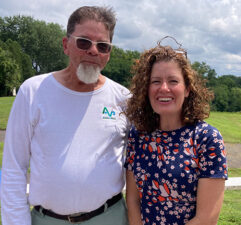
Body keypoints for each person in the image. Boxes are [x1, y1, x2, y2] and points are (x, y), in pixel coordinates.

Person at [1, 6, 129, 225]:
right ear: (65, 45)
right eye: (83, 42)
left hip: (110, 217)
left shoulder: (123, 99)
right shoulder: (33, 91)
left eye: (103, 46)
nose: (93, 51)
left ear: (109, 52)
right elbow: (14, 168)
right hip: (48, 219)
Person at [124, 36, 228, 225]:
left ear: (187, 89)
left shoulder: (207, 139)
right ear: (146, 89)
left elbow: (208, 217)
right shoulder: (138, 135)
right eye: (155, 81)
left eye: (173, 81)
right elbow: (132, 200)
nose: (164, 88)